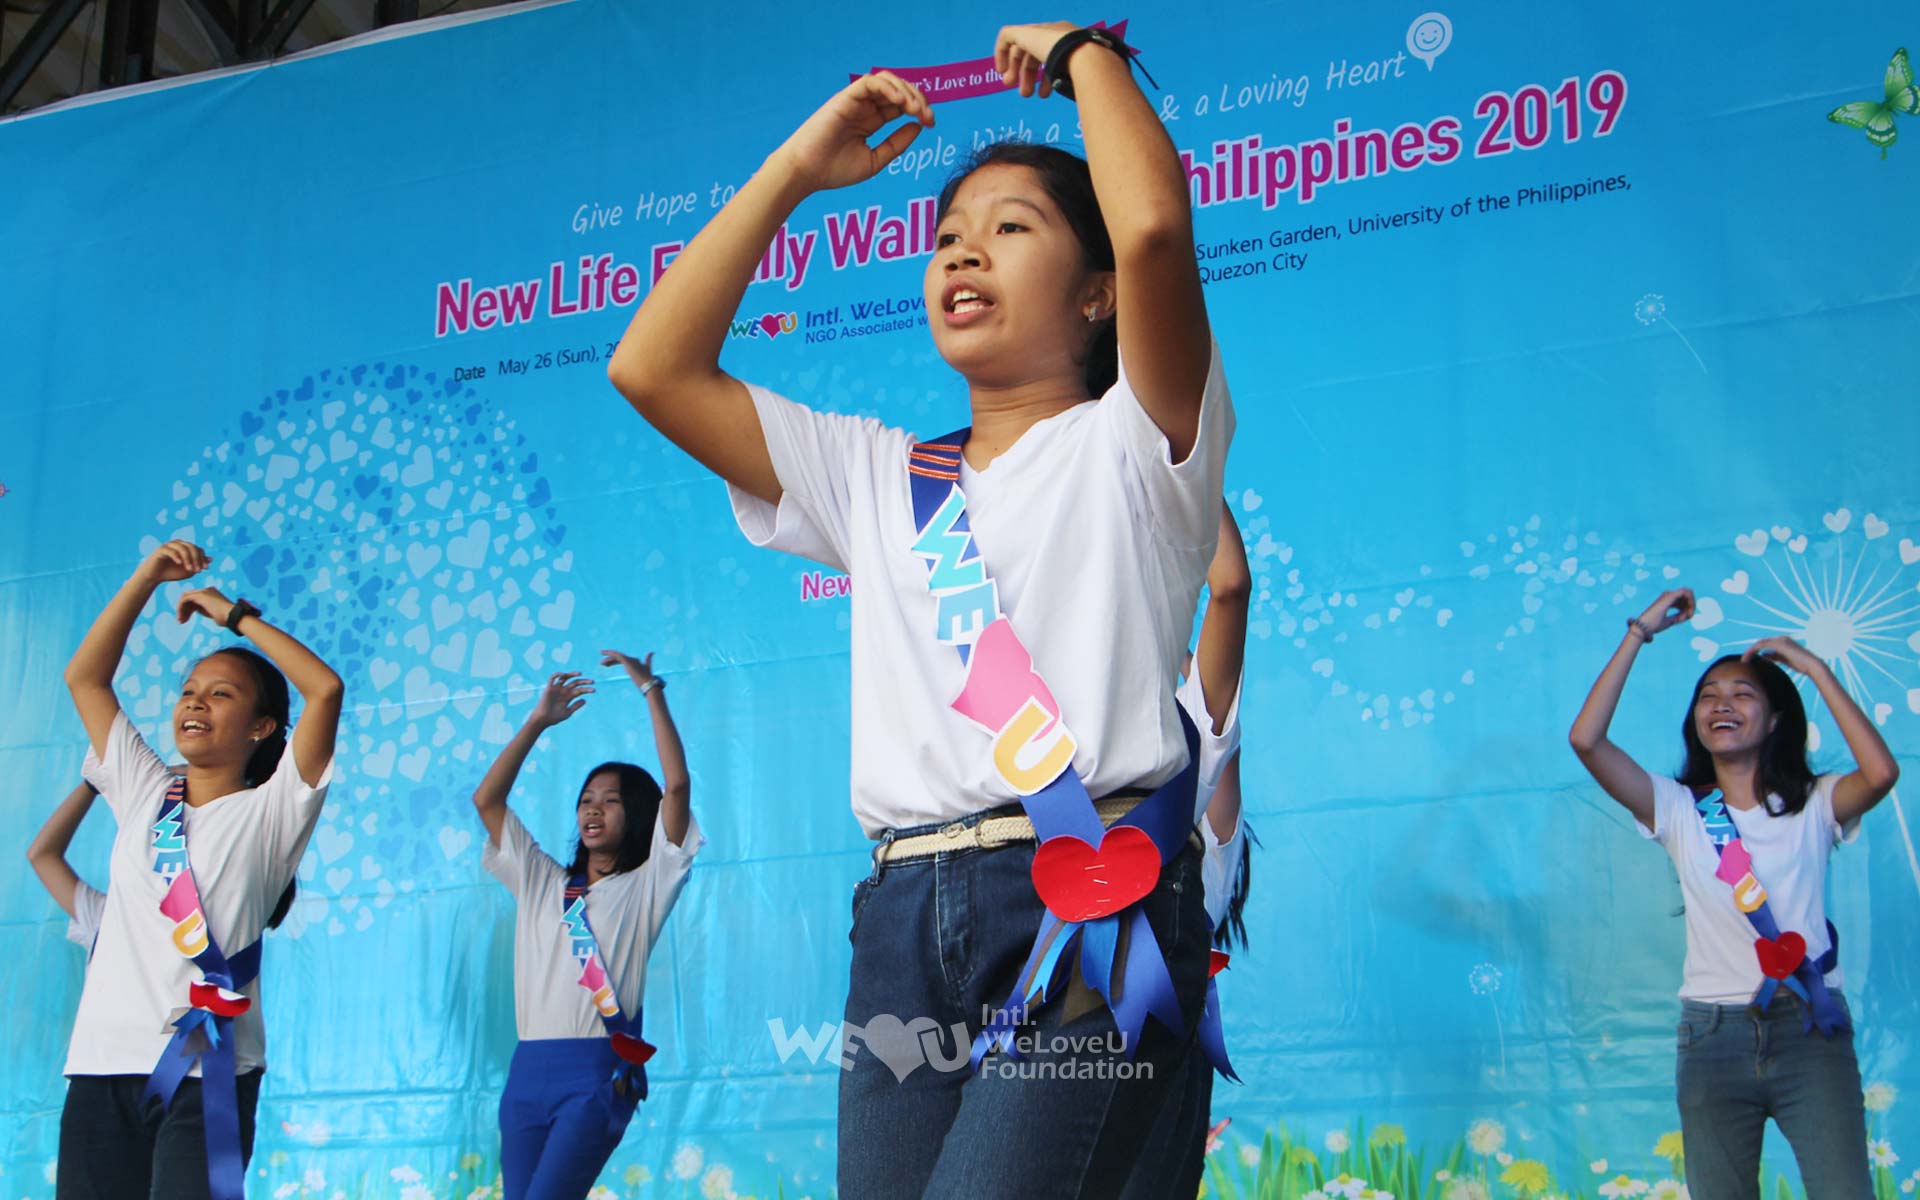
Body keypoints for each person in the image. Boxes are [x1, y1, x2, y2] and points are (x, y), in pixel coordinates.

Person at [610, 21, 1233, 1197]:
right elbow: (652, 366)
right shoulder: (875, 475)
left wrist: (1085, 53)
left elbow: (1153, 222)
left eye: (1012, 228)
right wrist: (797, 170)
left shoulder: (1141, 442)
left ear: (1099, 295)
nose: (964, 252)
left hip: (1089, 900)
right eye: (948, 234)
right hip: (903, 922)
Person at [1569, 587, 1898, 1200]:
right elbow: (1587, 740)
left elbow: (1881, 773)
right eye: (1708, 698)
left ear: (1775, 719)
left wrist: (1814, 668)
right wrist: (1639, 631)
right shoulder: (1675, 808)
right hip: (1711, 1037)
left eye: (1742, 694)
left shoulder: (1817, 802)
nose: (1721, 705)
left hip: (1811, 1031)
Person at [58, 538, 342, 1200]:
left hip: (206, 1072)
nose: (195, 704)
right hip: (101, 1066)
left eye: (220, 695)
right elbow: (85, 679)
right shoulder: (143, 790)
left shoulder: (275, 811)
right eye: (189, 692)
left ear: (262, 727)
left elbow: (325, 688)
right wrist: (147, 576)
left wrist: (232, 615)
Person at [473, 651, 702, 1200]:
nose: (593, 810)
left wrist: (652, 691)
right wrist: (536, 722)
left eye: (612, 801)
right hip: (526, 1073)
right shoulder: (539, 880)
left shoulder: (651, 882)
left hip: (595, 1076)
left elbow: (676, 787)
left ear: (638, 815)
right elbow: (487, 799)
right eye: (586, 801)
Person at [1122, 502, 1252, 1198]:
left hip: (1157, 1055)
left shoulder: (1199, 773)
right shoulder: (1062, 769)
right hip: (1059, 1043)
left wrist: (1179, 459)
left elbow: (1229, 587)